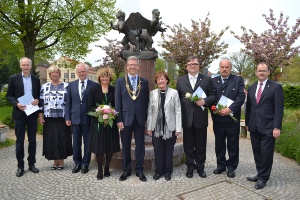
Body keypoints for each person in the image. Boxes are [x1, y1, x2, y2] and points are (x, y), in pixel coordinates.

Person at [245, 62, 284, 189]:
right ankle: (259, 173)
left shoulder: (275, 87)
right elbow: (249, 107)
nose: (261, 72)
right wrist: (247, 124)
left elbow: (279, 109)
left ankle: (263, 178)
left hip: (269, 126)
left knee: (266, 153)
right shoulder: (251, 87)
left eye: (264, 70)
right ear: (256, 72)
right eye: (259, 70)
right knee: (257, 152)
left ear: (268, 72)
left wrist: (277, 127)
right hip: (254, 126)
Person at [176, 56, 216, 178]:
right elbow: (177, 99)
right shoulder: (181, 80)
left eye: (195, 64)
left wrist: (205, 101)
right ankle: (190, 167)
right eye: (190, 64)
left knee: (200, 145)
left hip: (201, 118)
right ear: (186, 66)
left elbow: (213, 96)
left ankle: (200, 167)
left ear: (199, 66)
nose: (192, 66)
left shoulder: (206, 80)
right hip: (186, 118)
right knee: (188, 145)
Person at [115, 56, 149, 182]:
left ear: (138, 66)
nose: (132, 67)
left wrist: (146, 118)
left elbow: (146, 101)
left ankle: (139, 170)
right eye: (130, 64)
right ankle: (126, 169)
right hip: (125, 118)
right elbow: (118, 102)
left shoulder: (144, 82)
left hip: (140, 119)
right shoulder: (120, 81)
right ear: (127, 66)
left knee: (140, 145)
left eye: (135, 64)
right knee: (126, 145)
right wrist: (119, 119)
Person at [6, 57, 41, 177]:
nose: (26, 67)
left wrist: (37, 100)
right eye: (23, 65)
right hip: (19, 113)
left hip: (32, 113)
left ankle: (32, 164)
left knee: (32, 140)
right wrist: (17, 104)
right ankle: (20, 166)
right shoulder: (14, 78)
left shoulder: (36, 80)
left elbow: (38, 95)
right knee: (20, 141)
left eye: (28, 65)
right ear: (20, 66)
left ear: (31, 66)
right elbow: (9, 95)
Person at [211, 59, 245, 178]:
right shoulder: (213, 81)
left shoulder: (237, 80)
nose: (224, 69)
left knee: (233, 144)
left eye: (227, 67)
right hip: (218, 118)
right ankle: (220, 165)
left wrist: (230, 109)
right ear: (219, 68)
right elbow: (211, 97)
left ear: (230, 69)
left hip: (232, 119)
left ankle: (231, 167)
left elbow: (241, 97)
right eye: (222, 67)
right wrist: (216, 109)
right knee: (219, 143)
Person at [146, 71, 181, 181]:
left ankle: (168, 172)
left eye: (163, 78)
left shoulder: (174, 93)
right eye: (158, 79)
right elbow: (150, 111)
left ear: (167, 80)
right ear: (156, 81)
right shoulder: (152, 93)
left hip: (170, 127)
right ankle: (158, 171)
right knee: (158, 150)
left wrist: (178, 128)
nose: (160, 81)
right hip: (156, 128)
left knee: (169, 151)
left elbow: (178, 111)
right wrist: (149, 127)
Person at [88, 67, 120, 180]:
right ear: (99, 78)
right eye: (102, 76)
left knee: (109, 147)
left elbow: (117, 105)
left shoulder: (114, 89)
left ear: (110, 77)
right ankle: (100, 169)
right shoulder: (94, 89)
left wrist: (112, 114)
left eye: (107, 76)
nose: (104, 78)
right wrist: (99, 113)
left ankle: (107, 167)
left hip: (110, 124)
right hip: (98, 124)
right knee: (99, 147)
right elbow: (90, 105)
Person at [38, 66, 72, 170]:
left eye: (56, 72)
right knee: (51, 139)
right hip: (49, 118)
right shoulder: (44, 86)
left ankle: (61, 161)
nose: (54, 74)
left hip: (62, 117)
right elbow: (41, 102)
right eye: (52, 73)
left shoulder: (66, 86)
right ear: (50, 75)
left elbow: (69, 103)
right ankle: (54, 161)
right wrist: (40, 116)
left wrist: (69, 117)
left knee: (62, 139)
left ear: (59, 74)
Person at [65, 63, 97, 174]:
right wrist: (67, 117)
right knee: (76, 142)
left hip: (88, 118)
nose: (81, 73)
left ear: (87, 72)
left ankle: (85, 164)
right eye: (79, 72)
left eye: (83, 71)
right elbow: (68, 103)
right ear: (77, 73)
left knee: (88, 142)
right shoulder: (71, 85)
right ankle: (77, 163)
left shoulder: (94, 85)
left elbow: (96, 103)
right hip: (75, 118)